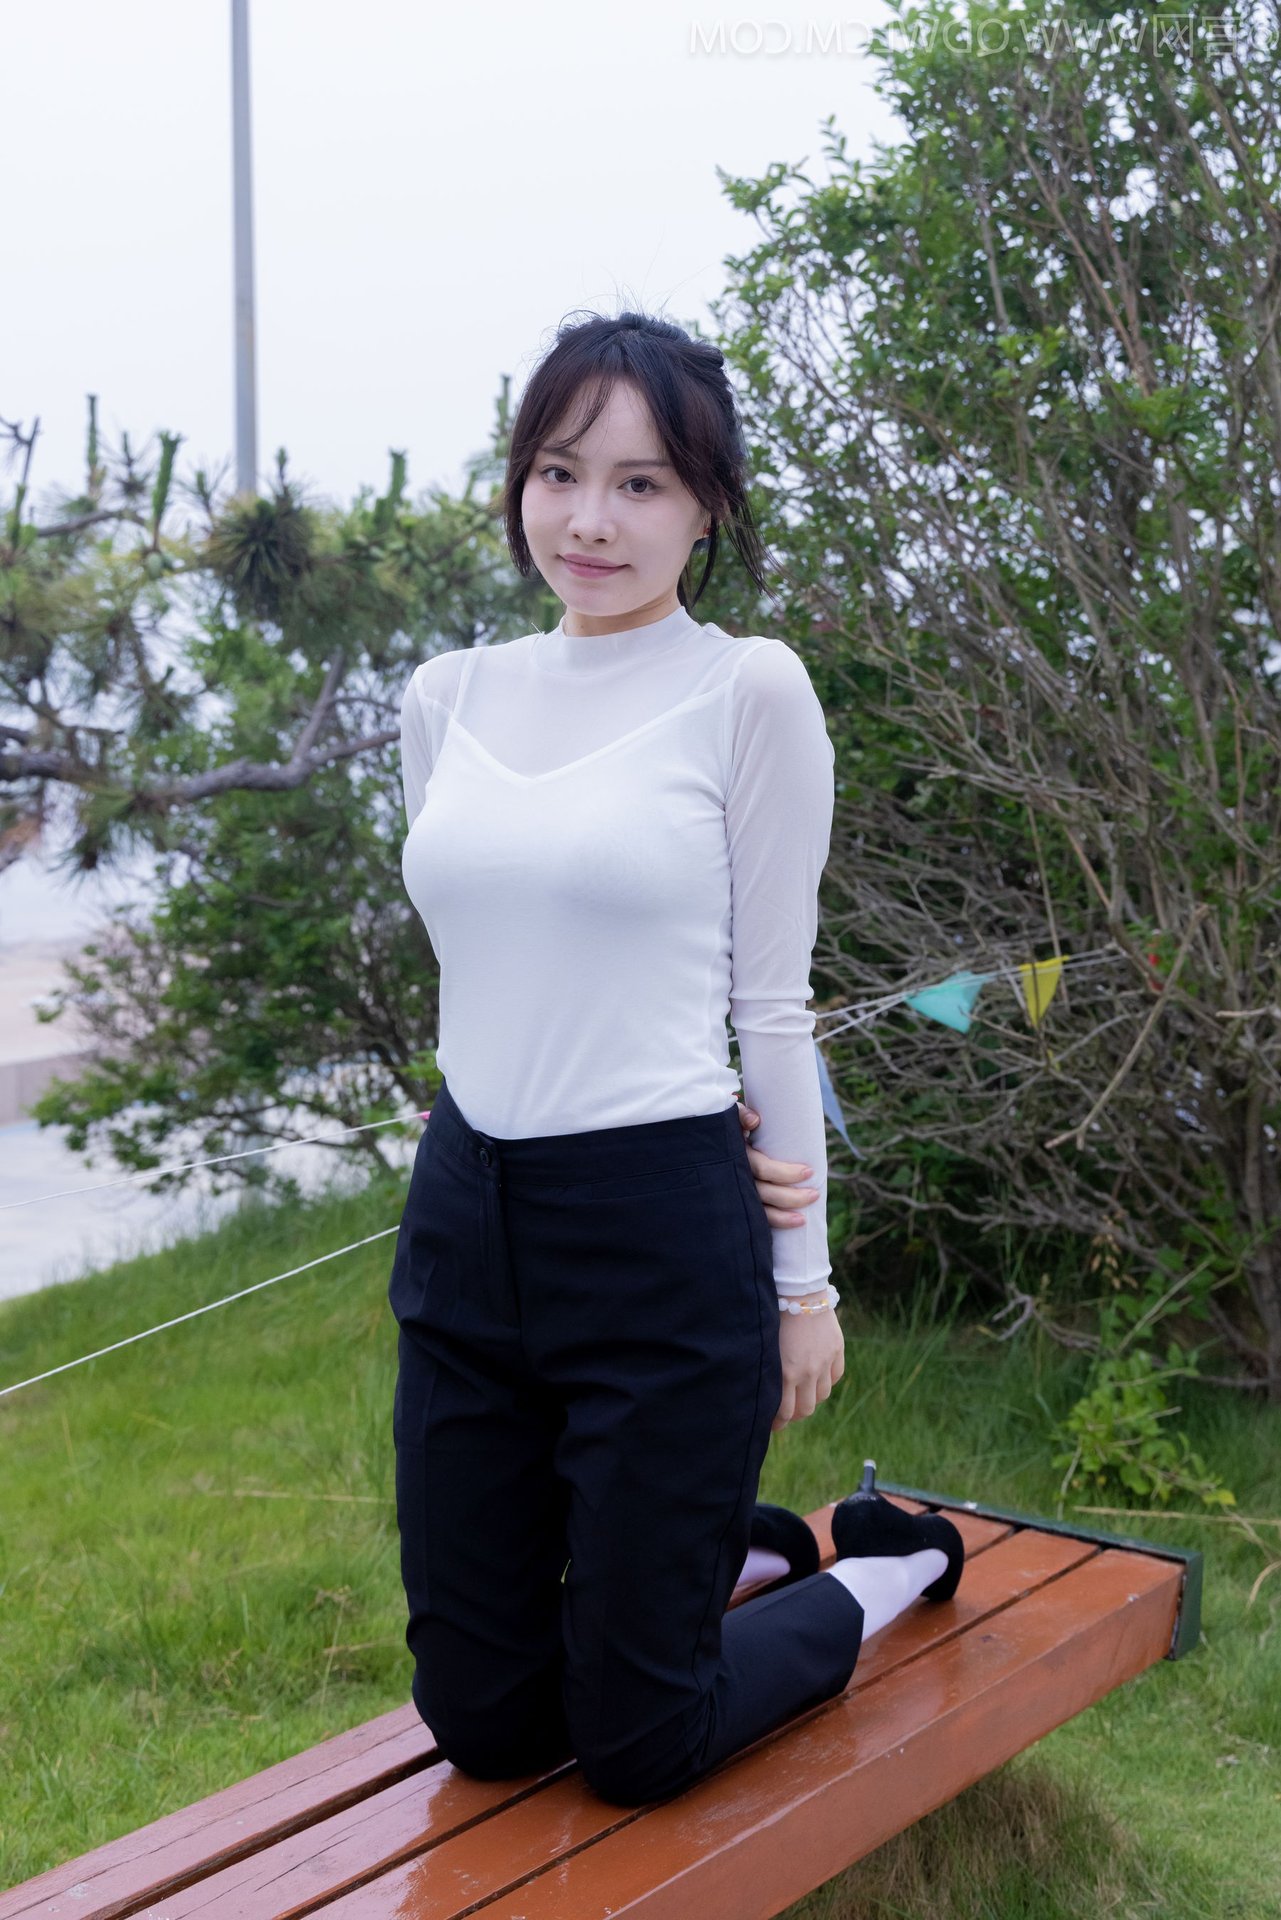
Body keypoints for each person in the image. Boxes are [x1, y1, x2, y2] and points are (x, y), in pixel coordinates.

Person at [388, 309, 964, 1809]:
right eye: (560, 473)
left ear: (706, 505)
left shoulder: (746, 689)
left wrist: (803, 1291)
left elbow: (772, 1006)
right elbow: (488, 955)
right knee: (488, 1726)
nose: (590, 520)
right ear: (519, 482)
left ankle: (880, 1569)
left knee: (638, 1746)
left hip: (657, 1232)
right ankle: (734, 1549)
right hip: (465, 1224)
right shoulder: (446, 698)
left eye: (640, 484)